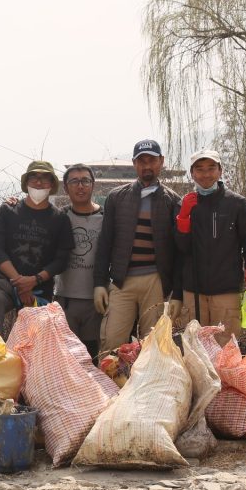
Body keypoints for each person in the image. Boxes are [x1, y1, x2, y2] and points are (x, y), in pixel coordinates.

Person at [93, 139, 184, 353]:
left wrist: (177, 293)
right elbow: (105, 241)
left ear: (161, 162)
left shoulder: (172, 201)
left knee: (152, 345)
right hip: (122, 281)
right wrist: (99, 282)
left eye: (151, 160)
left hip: (155, 281)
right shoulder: (117, 197)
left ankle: (147, 386)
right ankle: (109, 386)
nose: (147, 166)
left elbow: (180, 253)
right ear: (135, 164)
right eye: (141, 161)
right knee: (112, 341)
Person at [175, 149, 246, 344]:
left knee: (225, 349)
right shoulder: (185, 204)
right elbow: (181, 249)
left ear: (220, 171)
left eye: (211, 168)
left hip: (226, 290)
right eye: (200, 169)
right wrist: (183, 218)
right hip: (193, 291)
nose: (206, 174)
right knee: (195, 350)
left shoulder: (237, 204)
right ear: (192, 173)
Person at [0, 160, 74, 337]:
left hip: (40, 287)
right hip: (4, 281)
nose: (38, 183)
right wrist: (20, 282)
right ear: (26, 182)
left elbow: (61, 260)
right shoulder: (8, 210)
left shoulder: (60, 219)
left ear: (52, 184)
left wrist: (34, 280)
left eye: (45, 178)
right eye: (33, 178)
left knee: (38, 334)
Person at [54, 163, 104, 359]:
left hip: (96, 302)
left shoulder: (106, 217)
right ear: (65, 188)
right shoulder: (59, 217)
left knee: (92, 356)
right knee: (67, 357)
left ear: (93, 185)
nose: (80, 186)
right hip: (65, 300)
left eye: (85, 181)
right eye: (74, 181)